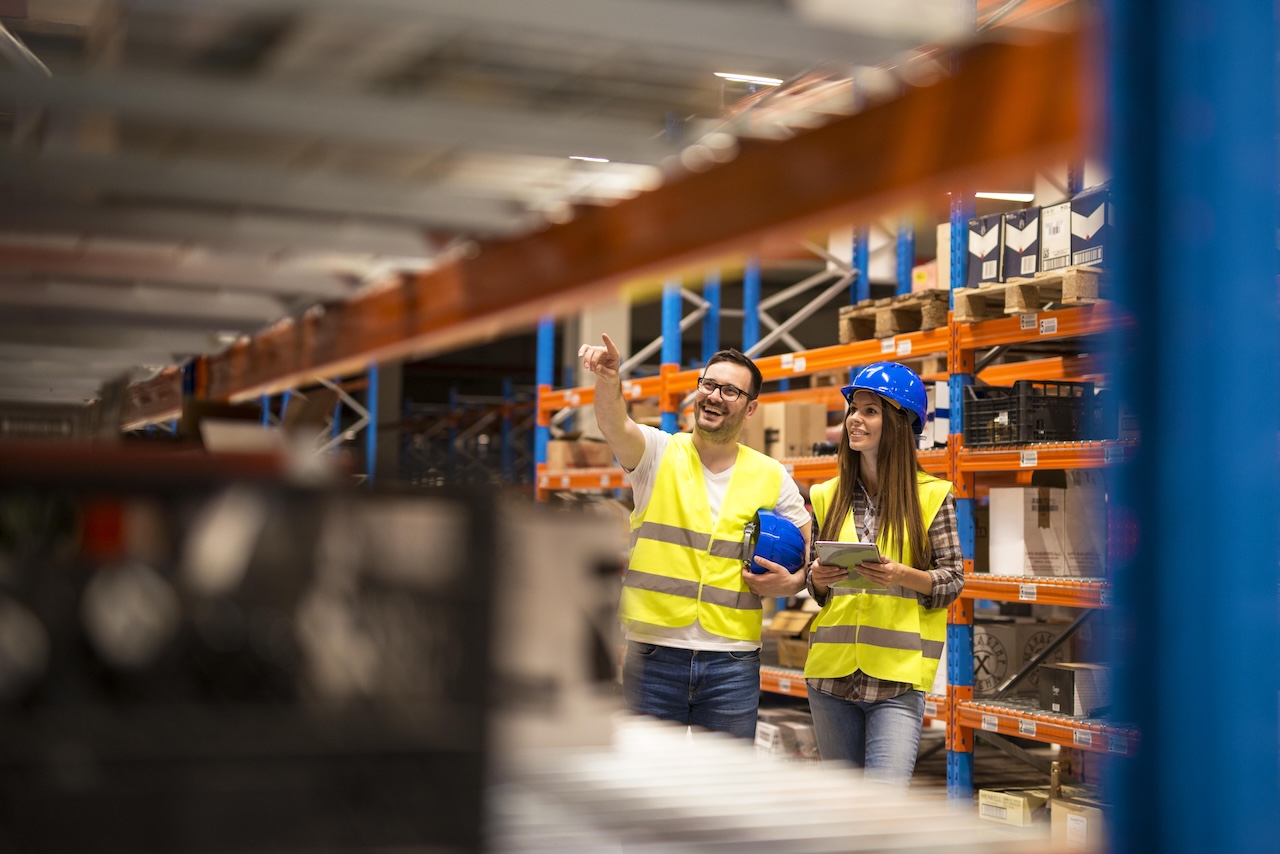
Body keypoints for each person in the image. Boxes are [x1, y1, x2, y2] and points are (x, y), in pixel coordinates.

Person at [578, 334, 811, 739]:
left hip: (733, 663)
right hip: (653, 655)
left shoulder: (772, 475)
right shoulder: (657, 453)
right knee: (647, 789)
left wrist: (794, 581)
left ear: (750, 407)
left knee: (722, 793)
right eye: (708, 384)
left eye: (730, 390)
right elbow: (614, 423)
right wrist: (609, 379)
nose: (714, 396)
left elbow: (810, 556)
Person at [803, 361, 963, 785]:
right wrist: (817, 578)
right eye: (854, 409)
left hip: (896, 681)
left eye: (870, 410)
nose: (855, 419)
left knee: (883, 811)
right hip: (830, 678)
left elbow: (952, 580)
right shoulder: (826, 494)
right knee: (841, 813)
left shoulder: (932, 496)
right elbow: (813, 583)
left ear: (898, 423)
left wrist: (901, 575)